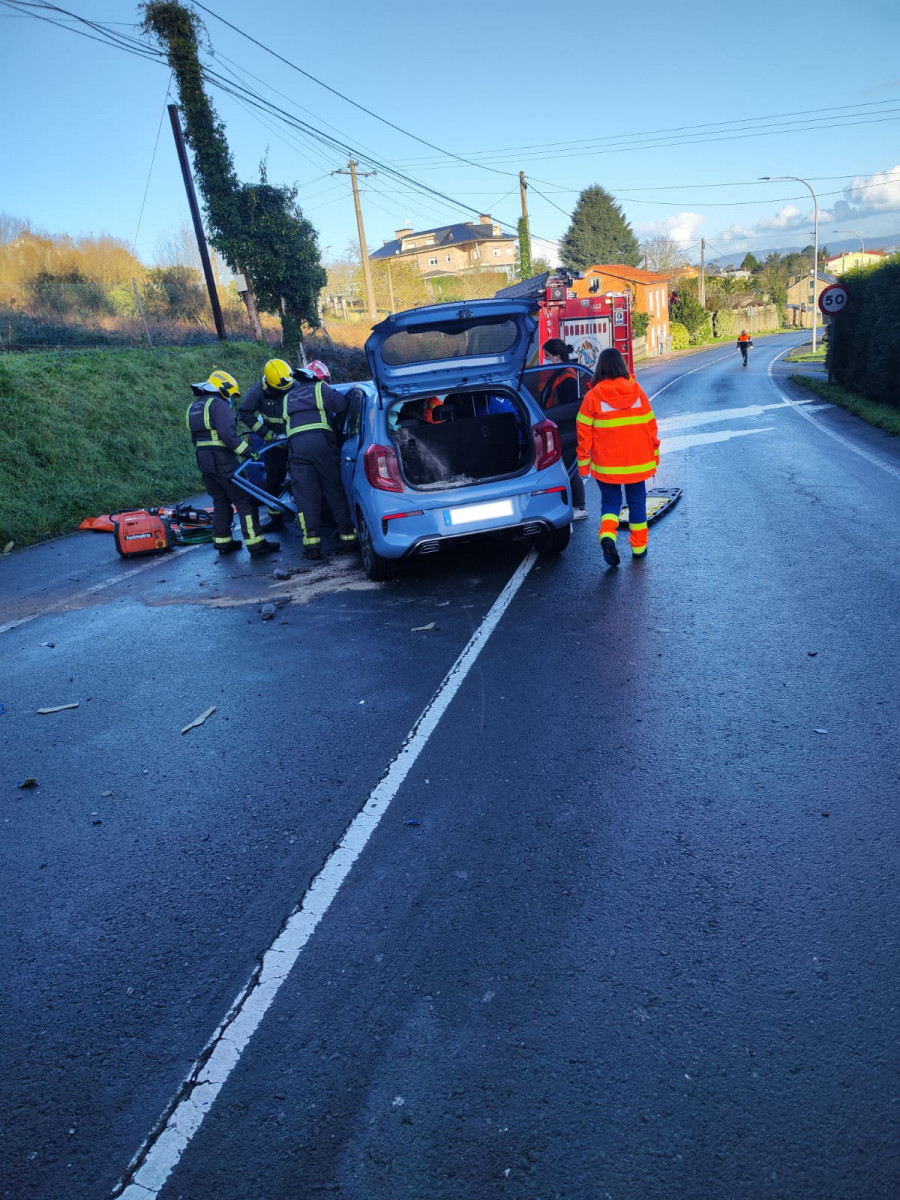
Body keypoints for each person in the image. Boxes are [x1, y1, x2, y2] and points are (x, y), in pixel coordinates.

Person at [577, 348, 660, 568]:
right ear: (621, 366)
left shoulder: (593, 397)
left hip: (607, 465)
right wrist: (655, 455)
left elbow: (583, 435)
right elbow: (651, 426)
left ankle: (608, 537)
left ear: (600, 368)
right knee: (637, 503)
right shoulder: (637, 391)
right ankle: (639, 549)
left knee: (611, 503)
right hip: (638, 461)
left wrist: (584, 467)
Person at [186, 369, 280, 558]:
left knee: (220, 500)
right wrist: (248, 452)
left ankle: (223, 542)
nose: (230, 398)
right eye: (230, 394)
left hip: (204, 460)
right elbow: (228, 436)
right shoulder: (219, 405)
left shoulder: (195, 407)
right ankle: (257, 544)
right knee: (244, 500)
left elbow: (195, 439)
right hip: (222, 460)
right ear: (223, 388)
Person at [283, 360, 358, 561]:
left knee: (306, 498)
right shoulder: (321, 388)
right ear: (321, 378)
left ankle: (311, 548)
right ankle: (349, 539)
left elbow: (287, 425)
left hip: (297, 451)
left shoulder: (288, 397)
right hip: (322, 447)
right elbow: (342, 406)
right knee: (334, 491)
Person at [237, 358, 294, 530]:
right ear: (269, 384)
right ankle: (276, 519)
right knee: (273, 481)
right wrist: (268, 435)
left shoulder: (295, 383)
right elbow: (245, 413)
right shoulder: (258, 391)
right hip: (275, 444)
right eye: (279, 390)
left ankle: (307, 514)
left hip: (296, 442)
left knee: (303, 478)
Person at [541, 339, 588, 521]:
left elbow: (568, 408)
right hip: (561, 428)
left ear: (557, 357)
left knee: (568, 467)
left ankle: (579, 506)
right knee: (569, 468)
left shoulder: (566, 378)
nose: (545, 360)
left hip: (565, 429)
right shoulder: (562, 373)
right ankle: (577, 505)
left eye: (547, 356)